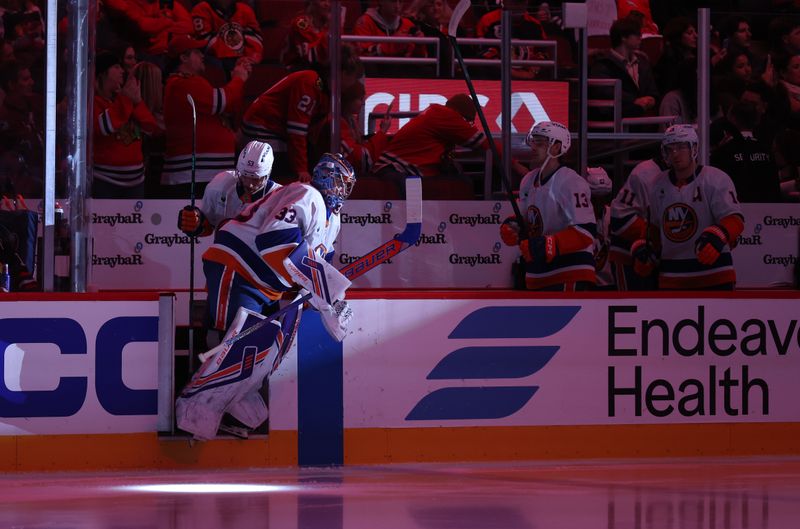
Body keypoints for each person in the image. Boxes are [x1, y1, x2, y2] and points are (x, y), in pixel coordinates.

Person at [176, 153, 356, 440]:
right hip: (236, 262)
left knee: (269, 347)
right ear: (327, 180)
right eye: (341, 184)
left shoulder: (333, 220)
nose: (344, 193)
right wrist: (328, 295)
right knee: (235, 338)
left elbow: (316, 268)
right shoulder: (307, 194)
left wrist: (326, 300)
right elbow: (273, 241)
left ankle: (232, 401)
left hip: (266, 281)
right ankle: (195, 407)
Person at [632, 125, 745, 290]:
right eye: (670, 149)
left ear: (694, 148)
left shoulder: (716, 178)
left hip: (714, 274)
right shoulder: (657, 184)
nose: (675, 153)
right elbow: (655, 228)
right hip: (671, 276)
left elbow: (735, 219)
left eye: (681, 147)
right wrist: (645, 248)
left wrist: (718, 236)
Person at [240, 44, 363, 183]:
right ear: (342, 73)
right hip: (263, 126)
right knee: (284, 173)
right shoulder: (309, 83)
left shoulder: (327, 92)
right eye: (353, 77)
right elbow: (297, 131)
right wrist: (301, 169)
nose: (353, 83)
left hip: (279, 130)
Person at [499, 121, 597, 291]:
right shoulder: (528, 181)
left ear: (556, 147)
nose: (533, 147)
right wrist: (513, 226)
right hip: (537, 273)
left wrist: (548, 244)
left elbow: (586, 231)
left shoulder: (571, 182)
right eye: (533, 141)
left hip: (570, 271)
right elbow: (527, 218)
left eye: (540, 143)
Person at [161, 34, 251, 198]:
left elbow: (228, 106)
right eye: (197, 52)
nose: (202, 55)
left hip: (203, 175)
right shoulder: (182, 83)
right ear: (183, 57)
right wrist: (238, 79)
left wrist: (237, 78)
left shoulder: (193, 83)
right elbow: (221, 101)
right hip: (191, 176)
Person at [371, 93, 489, 195]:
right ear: (457, 112)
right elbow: (485, 143)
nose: (467, 125)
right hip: (395, 170)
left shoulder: (437, 115)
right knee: (412, 208)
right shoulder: (445, 115)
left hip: (399, 169)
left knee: (455, 180)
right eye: (467, 120)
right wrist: (506, 154)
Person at [178, 140, 280, 238]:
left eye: (255, 179)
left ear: (268, 174)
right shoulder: (218, 186)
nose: (250, 185)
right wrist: (197, 226)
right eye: (244, 176)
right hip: (224, 253)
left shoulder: (279, 199)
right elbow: (208, 229)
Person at [92, 50, 159, 198]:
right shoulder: (93, 102)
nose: (122, 71)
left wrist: (137, 102)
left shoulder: (124, 100)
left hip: (136, 181)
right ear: (103, 73)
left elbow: (150, 128)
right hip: (105, 180)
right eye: (116, 67)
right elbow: (104, 127)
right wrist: (126, 99)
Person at [608, 153, 667, 291]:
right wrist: (655, 238)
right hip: (631, 257)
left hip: (660, 258)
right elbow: (619, 219)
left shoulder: (686, 176)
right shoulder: (645, 173)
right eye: (673, 147)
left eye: (682, 146)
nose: (676, 152)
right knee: (631, 308)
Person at [710, 101, 781, 203]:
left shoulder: (722, 153)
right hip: (767, 215)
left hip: (733, 212)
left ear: (732, 119)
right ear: (756, 120)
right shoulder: (767, 151)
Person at [590, 17, 659, 118]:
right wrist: (634, 101)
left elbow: (652, 90)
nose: (641, 37)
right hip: (616, 119)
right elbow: (605, 91)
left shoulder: (643, 62)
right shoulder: (603, 63)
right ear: (623, 37)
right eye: (637, 34)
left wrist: (651, 98)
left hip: (641, 121)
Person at [190, 0, 262, 71]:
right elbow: (205, 41)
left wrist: (249, 59)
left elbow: (255, 38)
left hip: (242, 58)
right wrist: (234, 58)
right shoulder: (201, 9)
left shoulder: (245, 9)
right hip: (216, 60)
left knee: (253, 68)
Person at [353, 0, 427, 59]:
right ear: (381, 1)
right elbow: (363, 55)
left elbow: (419, 59)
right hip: (377, 70)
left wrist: (419, 45)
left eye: (400, 1)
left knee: (427, 71)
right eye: (393, 1)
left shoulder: (408, 24)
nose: (397, 6)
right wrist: (393, 43)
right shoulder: (364, 22)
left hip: (401, 70)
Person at [281, 0, 332, 71]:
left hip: (322, 70)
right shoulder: (301, 23)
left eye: (330, 1)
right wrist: (331, 28)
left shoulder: (330, 23)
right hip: (300, 70)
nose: (327, 4)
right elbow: (312, 57)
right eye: (322, 0)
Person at [585, 167, 614, 290]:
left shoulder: (612, 215)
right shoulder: (578, 218)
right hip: (586, 284)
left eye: (604, 197)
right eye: (595, 198)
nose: (599, 203)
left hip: (610, 284)